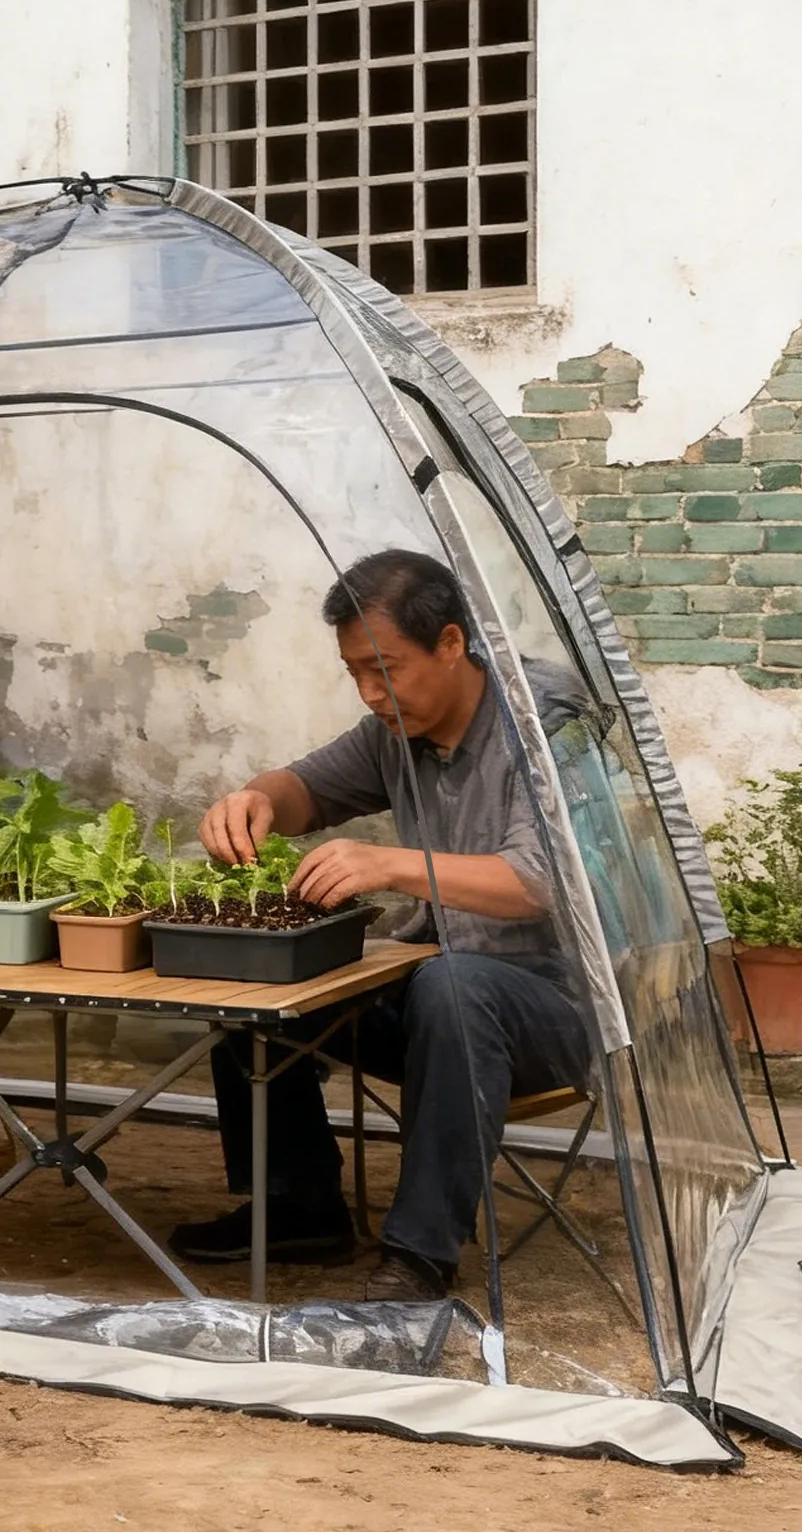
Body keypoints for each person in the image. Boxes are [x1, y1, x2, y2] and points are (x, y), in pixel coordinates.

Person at [169, 547, 593, 1304]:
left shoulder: (547, 722)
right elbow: (304, 788)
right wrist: (256, 800)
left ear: (452, 644)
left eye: (385, 668)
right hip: (437, 989)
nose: (370, 693)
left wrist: (394, 866)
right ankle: (299, 1208)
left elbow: (539, 883)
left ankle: (422, 1255)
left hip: (558, 1012)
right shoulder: (396, 727)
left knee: (454, 986)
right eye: (355, 674)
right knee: (257, 974)